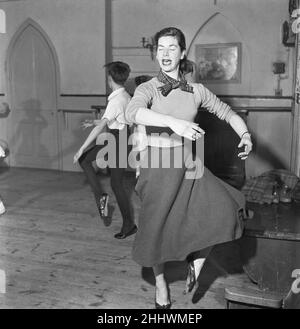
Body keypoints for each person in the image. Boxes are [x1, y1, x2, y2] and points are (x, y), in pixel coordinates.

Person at [125, 27, 252, 309]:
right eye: (160, 48)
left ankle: (198, 258)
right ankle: (160, 285)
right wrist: (173, 123)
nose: (166, 54)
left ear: (182, 53)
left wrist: (245, 135)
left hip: (188, 165)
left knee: (227, 206)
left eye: (172, 48)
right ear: (155, 53)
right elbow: (131, 112)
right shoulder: (147, 88)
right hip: (156, 166)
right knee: (154, 231)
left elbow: (227, 112)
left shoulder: (197, 91)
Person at [74, 61, 137, 239]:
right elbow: (117, 119)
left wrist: (82, 147)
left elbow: (101, 127)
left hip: (117, 141)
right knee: (114, 183)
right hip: (121, 138)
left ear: (110, 79)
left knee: (84, 159)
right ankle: (125, 220)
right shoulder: (125, 95)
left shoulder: (116, 100)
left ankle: (122, 217)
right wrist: (94, 122)